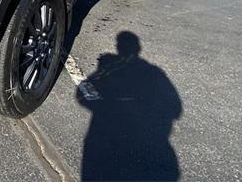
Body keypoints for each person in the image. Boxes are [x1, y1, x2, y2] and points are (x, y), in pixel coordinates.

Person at [77, 31, 182, 181]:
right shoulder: (155, 72)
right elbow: (176, 109)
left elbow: (82, 94)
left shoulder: (148, 71)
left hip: (108, 134)